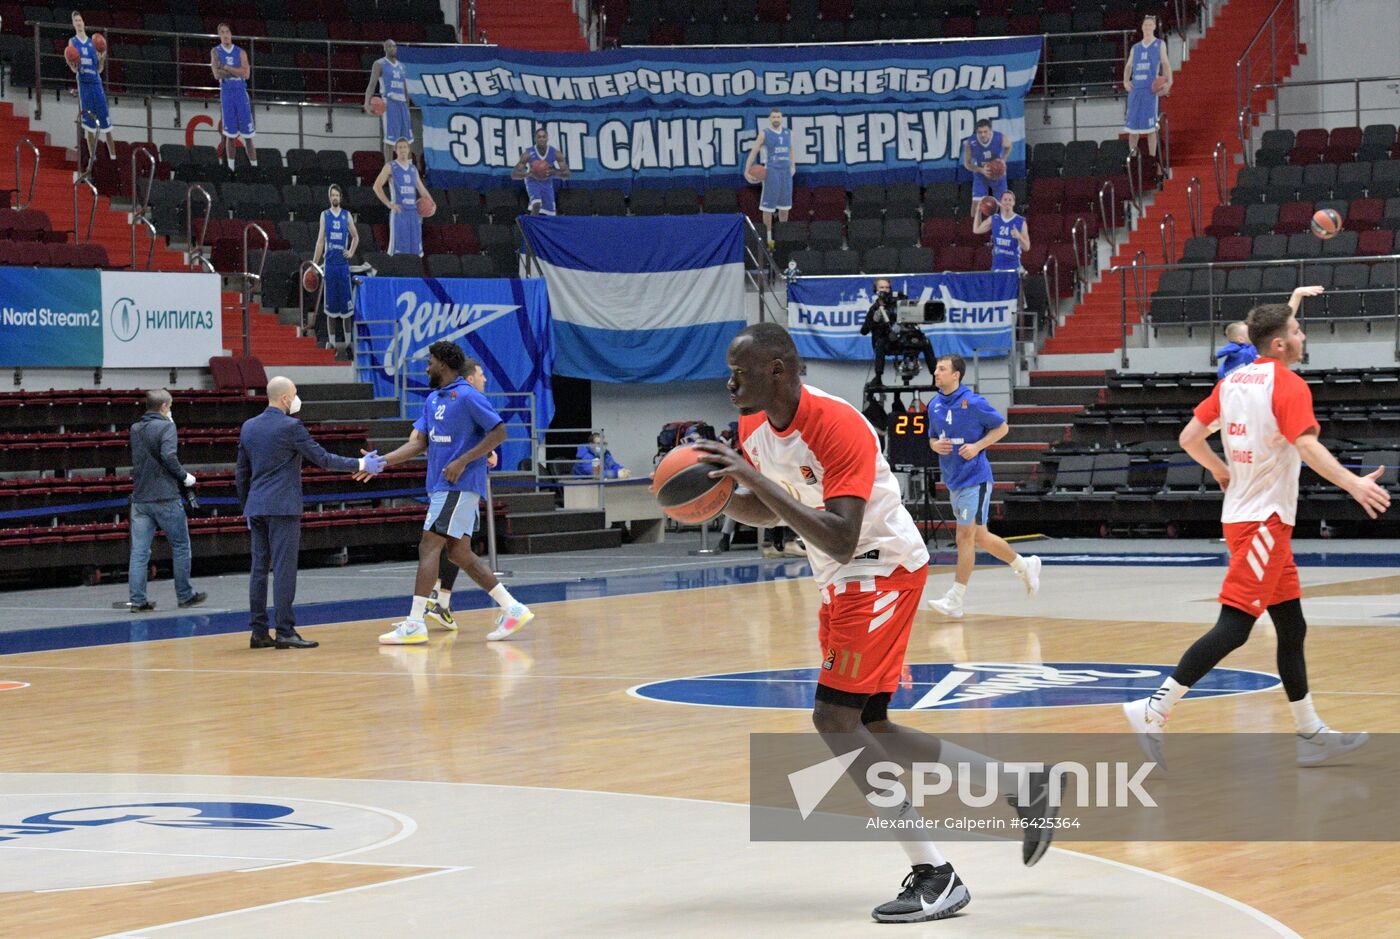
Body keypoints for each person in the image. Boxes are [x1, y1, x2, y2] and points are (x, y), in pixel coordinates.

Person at [696, 322, 1055, 924]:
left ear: (778, 370)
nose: (729, 382)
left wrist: (751, 478)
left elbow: (840, 534)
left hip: (881, 567)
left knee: (832, 719)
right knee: (870, 724)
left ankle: (936, 874)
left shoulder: (836, 424)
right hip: (842, 579)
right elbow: (769, 503)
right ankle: (1021, 786)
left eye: (741, 371)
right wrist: (717, 497)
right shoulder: (754, 426)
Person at [1123, 297, 1390, 767]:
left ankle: (1310, 733)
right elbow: (1306, 445)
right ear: (1282, 344)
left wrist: (1221, 471)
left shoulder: (1231, 383)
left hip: (1245, 516)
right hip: (1263, 520)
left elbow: (1188, 439)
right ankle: (1154, 707)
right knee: (1236, 627)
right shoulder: (1287, 385)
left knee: (1292, 624)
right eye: (1300, 330)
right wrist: (1353, 483)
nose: (1305, 337)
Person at [370, 342, 535, 645]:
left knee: (428, 545)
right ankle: (513, 608)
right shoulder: (433, 399)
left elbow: (499, 432)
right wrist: (383, 461)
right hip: (441, 487)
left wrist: (463, 460)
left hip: (457, 486)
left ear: (444, 364)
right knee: (458, 553)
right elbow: (418, 443)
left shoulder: (468, 396)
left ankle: (415, 622)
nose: (427, 367)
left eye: (430, 361)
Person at [236, 377, 386, 649]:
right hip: (282, 507)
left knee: (258, 569)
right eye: (294, 394)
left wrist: (247, 506)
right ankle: (285, 631)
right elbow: (323, 458)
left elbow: (241, 473)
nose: (296, 399)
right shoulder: (291, 426)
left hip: (256, 507)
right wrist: (362, 462)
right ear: (284, 399)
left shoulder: (248, 426)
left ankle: (259, 632)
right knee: (283, 570)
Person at [925, 354, 1041, 618]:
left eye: (941, 369)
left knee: (964, 537)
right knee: (980, 537)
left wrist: (977, 446)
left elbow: (1002, 428)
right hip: (953, 479)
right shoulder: (934, 406)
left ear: (956, 374)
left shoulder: (973, 402)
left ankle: (956, 599)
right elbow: (932, 437)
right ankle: (1025, 565)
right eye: (936, 369)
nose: (936, 372)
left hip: (974, 478)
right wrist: (934, 445)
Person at [127, 389, 206, 613]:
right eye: (169, 406)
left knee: (140, 552)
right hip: (165, 496)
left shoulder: (135, 429)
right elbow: (169, 456)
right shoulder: (167, 426)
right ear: (164, 407)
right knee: (180, 546)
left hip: (141, 498)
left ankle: (137, 600)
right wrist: (185, 477)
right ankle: (185, 595)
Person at [859, 278, 936, 387]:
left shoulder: (899, 304)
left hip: (903, 338)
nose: (885, 290)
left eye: (887, 287)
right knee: (880, 343)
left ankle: (935, 376)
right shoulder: (874, 309)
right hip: (888, 342)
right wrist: (874, 320)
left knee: (926, 342)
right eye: (882, 287)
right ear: (875, 290)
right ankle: (878, 377)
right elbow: (864, 331)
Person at [311, 184, 359, 357]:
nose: (335, 198)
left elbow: (355, 236)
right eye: (332, 195)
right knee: (330, 309)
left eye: (337, 195)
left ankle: (347, 343)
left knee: (346, 309)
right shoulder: (325, 215)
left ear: (341, 197)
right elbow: (320, 241)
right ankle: (331, 342)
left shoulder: (346, 216)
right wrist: (314, 264)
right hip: (330, 266)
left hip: (343, 266)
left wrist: (351, 251)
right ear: (329, 197)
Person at [1122, 14, 1173, 159]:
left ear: (1155, 27)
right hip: (1135, 91)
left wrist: (1169, 82)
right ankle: (1132, 157)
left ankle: (1152, 158)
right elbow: (1128, 66)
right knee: (1132, 129)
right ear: (1142, 27)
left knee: (1151, 129)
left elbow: (1165, 63)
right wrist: (1126, 81)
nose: (1148, 27)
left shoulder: (1159, 44)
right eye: (1146, 24)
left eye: (1151, 24)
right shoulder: (1136, 47)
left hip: (1150, 91)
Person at [67, 11, 116, 162]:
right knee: (89, 127)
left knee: (106, 126)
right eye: (76, 20)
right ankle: (93, 160)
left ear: (83, 23)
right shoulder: (72, 42)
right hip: (84, 86)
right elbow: (74, 69)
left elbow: (99, 69)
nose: (79, 23)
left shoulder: (94, 42)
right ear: (73, 24)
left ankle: (114, 158)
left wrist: (101, 59)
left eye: (80, 20)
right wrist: (73, 64)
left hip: (96, 84)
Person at [744, 109, 795, 248]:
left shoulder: (788, 132)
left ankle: (783, 238)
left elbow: (791, 149)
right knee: (768, 208)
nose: (776, 118)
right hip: (772, 172)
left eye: (778, 116)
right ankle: (769, 239)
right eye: (774, 117)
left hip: (785, 172)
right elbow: (754, 151)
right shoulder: (764, 133)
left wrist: (793, 165)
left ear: (782, 118)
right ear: (770, 118)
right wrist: (746, 170)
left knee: (785, 208)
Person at [210, 23, 257, 171]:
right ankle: (231, 169)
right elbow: (217, 74)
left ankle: (255, 168)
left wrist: (227, 68)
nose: (225, 35)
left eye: (227, 31)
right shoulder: (216, 51)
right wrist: (237, 71)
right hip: (227, 93)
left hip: (240, 93)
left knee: (248, 136)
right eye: (222, 32)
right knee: (230, 135)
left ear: (231, 33)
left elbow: (247, 74)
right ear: (219, 35)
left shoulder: (240, 52)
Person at [373, 138, 430, 256]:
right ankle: (394, 273)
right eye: (400, 147)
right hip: (399, 212)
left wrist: (432, 203)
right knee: (397, 251)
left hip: (414, 214)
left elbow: (421, 189)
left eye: (405, 147)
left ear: (409, 149)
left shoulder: (413, 169)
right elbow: (376, 186)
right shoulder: (390, 166)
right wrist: (389, 204)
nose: (403, 149)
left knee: (415, 251)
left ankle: (414, 273)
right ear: (395, 150)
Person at [364, 39, 413, 162]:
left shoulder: (402, 66)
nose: (392, 48)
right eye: (389, 46)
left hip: (402, 104)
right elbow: (372, 84)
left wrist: (407, 106)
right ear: (384, 49)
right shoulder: (379, 64)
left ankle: (408, 168)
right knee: (390, 140)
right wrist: (366, 103)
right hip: (389, 103)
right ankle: (389, 169)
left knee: (407, 139)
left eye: (394, 46)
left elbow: (405, 88)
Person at [511, 126, 571, 216]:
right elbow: (514, 174)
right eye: (539, 137)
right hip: (532, 181)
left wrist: (554, 172)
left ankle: (547, 228)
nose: (541, 139)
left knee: (551, 213)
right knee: (536, 205)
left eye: (544, 137)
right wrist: (528, 174)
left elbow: (567, 174)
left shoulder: (555, 153)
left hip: (546, 182)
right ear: (535, 139)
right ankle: (532, 227)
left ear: (547, 138)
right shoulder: (528, 154)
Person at [962, 118, 1012, 218]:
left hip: (998, 173)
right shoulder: (970, 142)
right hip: (980, 173)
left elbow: (1009, 146)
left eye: (985, 131)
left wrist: (1003, 160)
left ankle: (1004, 229)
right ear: (976, 132)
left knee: (1005, 205)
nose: (983, 135)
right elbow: (967, 164)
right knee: (975, 209)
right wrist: (981, 170)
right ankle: (976, 231)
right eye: (980, 132)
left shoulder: (1000, 137)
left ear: (990, 131)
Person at [973, 190, 1030, 272]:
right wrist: (978, 211)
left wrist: (1019, 236)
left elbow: (1027, 247)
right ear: (1000, 202)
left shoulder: (1020, 221)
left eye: (1010, 200)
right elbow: (976, 230)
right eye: (1005, 199)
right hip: (997, 267)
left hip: (1014, 267)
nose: (1007, 202)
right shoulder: (994, 218)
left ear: (1014, 203)